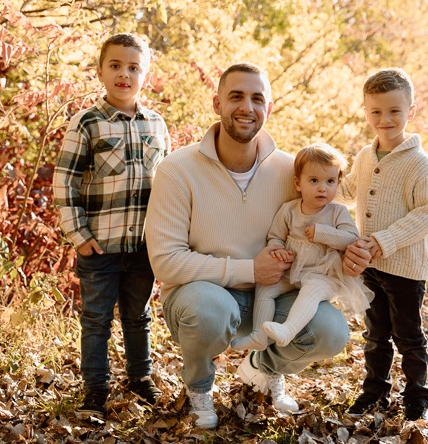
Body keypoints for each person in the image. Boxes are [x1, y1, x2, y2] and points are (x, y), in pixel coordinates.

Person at [144, 63, 351, 429]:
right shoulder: (177, 170)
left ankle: (262, 366)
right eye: (236, 96)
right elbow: (165, 262)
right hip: (202, 296)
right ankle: (199, 388)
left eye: (257, 98)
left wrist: (357, 248)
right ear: (216, 103)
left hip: (273, 295)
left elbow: (332, 215)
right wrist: (248, 269)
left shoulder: (292, 171)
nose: (247, 107)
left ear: (268, 109)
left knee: (332, 331)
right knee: (210, 311)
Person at [52, 33, 171, 419]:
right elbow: (64, 181)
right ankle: (96, 389)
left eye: (134, 67)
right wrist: (80, 237)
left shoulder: (156, 124)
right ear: (100, 71)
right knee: (96, 320)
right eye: (116, 66)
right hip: (99, 246)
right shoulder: (86, 123)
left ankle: (140, 378)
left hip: (142, 246)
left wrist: (166, 240)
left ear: (146, 74)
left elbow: (168, 186)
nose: (125, 74)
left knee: (138, 317)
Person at [336, 67, 428, 422]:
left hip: (405, 267)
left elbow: (427, 214)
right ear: (365, 112)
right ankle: (375, 391)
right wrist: (313, 186)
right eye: (376, 111)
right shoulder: (367, 155)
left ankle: (417, 398)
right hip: (370, 265)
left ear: (410, 112)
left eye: (395, 111)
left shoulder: (418, 163)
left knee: (408, 335)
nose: (385, 119)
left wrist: (382, 241)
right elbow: (350, 190)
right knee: (376, 333)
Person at [231, 143, 373, 351]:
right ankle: (259, 335)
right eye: (314, 181)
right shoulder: (289, 210)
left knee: (312, 290)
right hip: (292, 270)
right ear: (298, 184)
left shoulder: (337, 213)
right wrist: (277, 249)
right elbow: (276, 236)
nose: (322, 188)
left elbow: (350, 239)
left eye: (330, 181)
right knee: (266, 286)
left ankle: (288, 330)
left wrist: (323, 233)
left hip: (324, 274)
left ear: (338, 184)